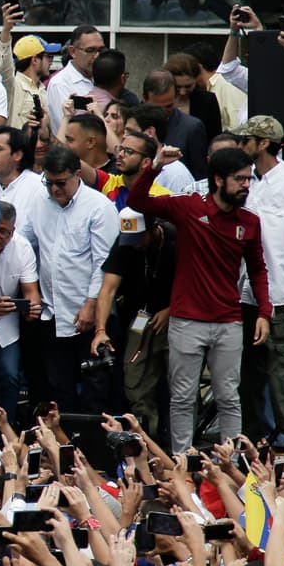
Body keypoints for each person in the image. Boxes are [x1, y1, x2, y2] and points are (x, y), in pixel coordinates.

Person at [127, 144, 270, 452]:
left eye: (249, 179)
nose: (247, 185)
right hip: (187, 320)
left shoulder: (250, 222)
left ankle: (230, 463)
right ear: (218, 179)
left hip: (228, 322)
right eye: (240, 179)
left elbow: (258, 270)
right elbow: (138, 200)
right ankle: (182, 461)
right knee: (182, 397)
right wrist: (154, 166)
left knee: (229, 397)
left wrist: (263, 312)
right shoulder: (188, 207)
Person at [18, 146, 120, 413]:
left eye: (60, 183)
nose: (54, 190)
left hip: (89, 313)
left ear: (77, 175)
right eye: (49, 183)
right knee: (58, 387)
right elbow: (26, 245)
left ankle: (94, 447)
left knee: (95, 387)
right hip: (52, 313)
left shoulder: (99, 207)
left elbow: (104, 263)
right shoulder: (40, 202)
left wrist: (91, 303)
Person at [235, 116, 284, 445]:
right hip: (247, 299)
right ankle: (254, 450)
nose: (240, 146)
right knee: (247, 380)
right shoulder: (245, 184)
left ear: (262, 143)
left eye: (245, 141)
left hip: (282, 299)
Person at [91, 185, 177, 437]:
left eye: (140, 238)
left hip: (178, 316)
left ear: (153, 229)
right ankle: (145, 438)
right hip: (141, 317)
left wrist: (170, 311)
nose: (134, 244)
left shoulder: (177, 240)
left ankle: (176, 445)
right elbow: (107, 288)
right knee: (134, 377)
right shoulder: (126, 242)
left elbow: (196, 282)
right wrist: (100, 329)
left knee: (179, 387)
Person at [0, 201, 41, 414]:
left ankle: (4, 430)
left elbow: (31, 291)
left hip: (6, 322)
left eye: (3, 231)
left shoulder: (22, 248)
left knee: (9, 375)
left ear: (12, 231)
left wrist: (32, 309)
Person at [0, 3, 58, 135]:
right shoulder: (12, 85)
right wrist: (6, 30)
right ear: (34, 60)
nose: (51, 61)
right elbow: (3, 66)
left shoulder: (44, 90)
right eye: (48, 56)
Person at [143, 69, 208, 180]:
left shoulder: (191, 128)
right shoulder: (133, 123)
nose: (162, 112)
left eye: (168, 106)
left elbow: (200, 177)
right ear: (145, 99)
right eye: (157, 107)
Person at [44, 25, 104, 137]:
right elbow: (65, 131)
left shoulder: (101, 76)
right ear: (73, 51)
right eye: (90, 50)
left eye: (101, 50)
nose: (97, 56)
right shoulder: (60, 83)